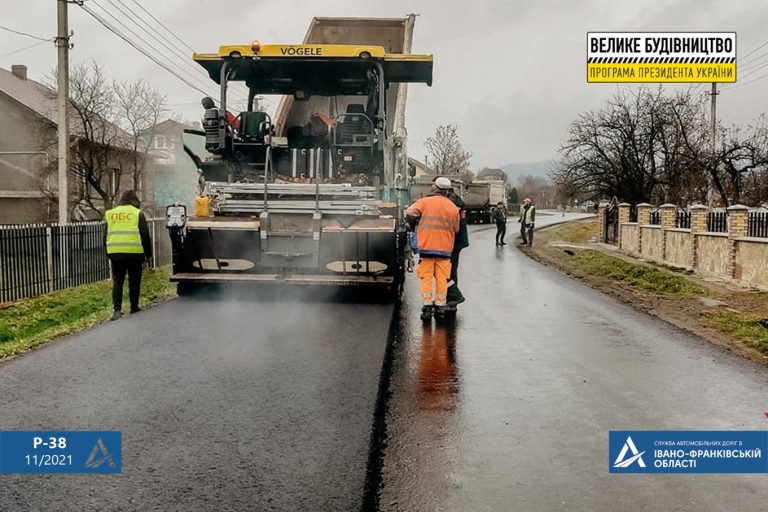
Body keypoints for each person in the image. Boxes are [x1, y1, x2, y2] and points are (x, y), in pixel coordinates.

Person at [406, 177, 460, 321]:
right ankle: (440, 308)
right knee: (442, 279)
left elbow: (409, 213)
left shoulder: (424, 202)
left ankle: (427, 308)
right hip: (445, 249)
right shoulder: (453, 207)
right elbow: (456, 229)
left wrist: (414, 224)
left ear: (435, 188)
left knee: (426, 278)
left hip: (427, 248)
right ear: (447, 191)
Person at [104, 190, 152, 320]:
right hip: (134, 253)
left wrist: (108, 252)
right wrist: (148, 254)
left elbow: (106, 235)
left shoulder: (111, 214)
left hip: (115, 253)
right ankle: (134, 307)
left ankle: (117, 310)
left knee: (118, 282)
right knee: (134, 281)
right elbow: (145, 235)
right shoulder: (137, 214)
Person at [446, 185, 469, 305]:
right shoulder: (456, 201)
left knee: (448, 270)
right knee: (451, 269)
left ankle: (454, 296)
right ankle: (450, 297)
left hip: (454, 241)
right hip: (457, 241)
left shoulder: (451, 203)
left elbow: (454, 227)